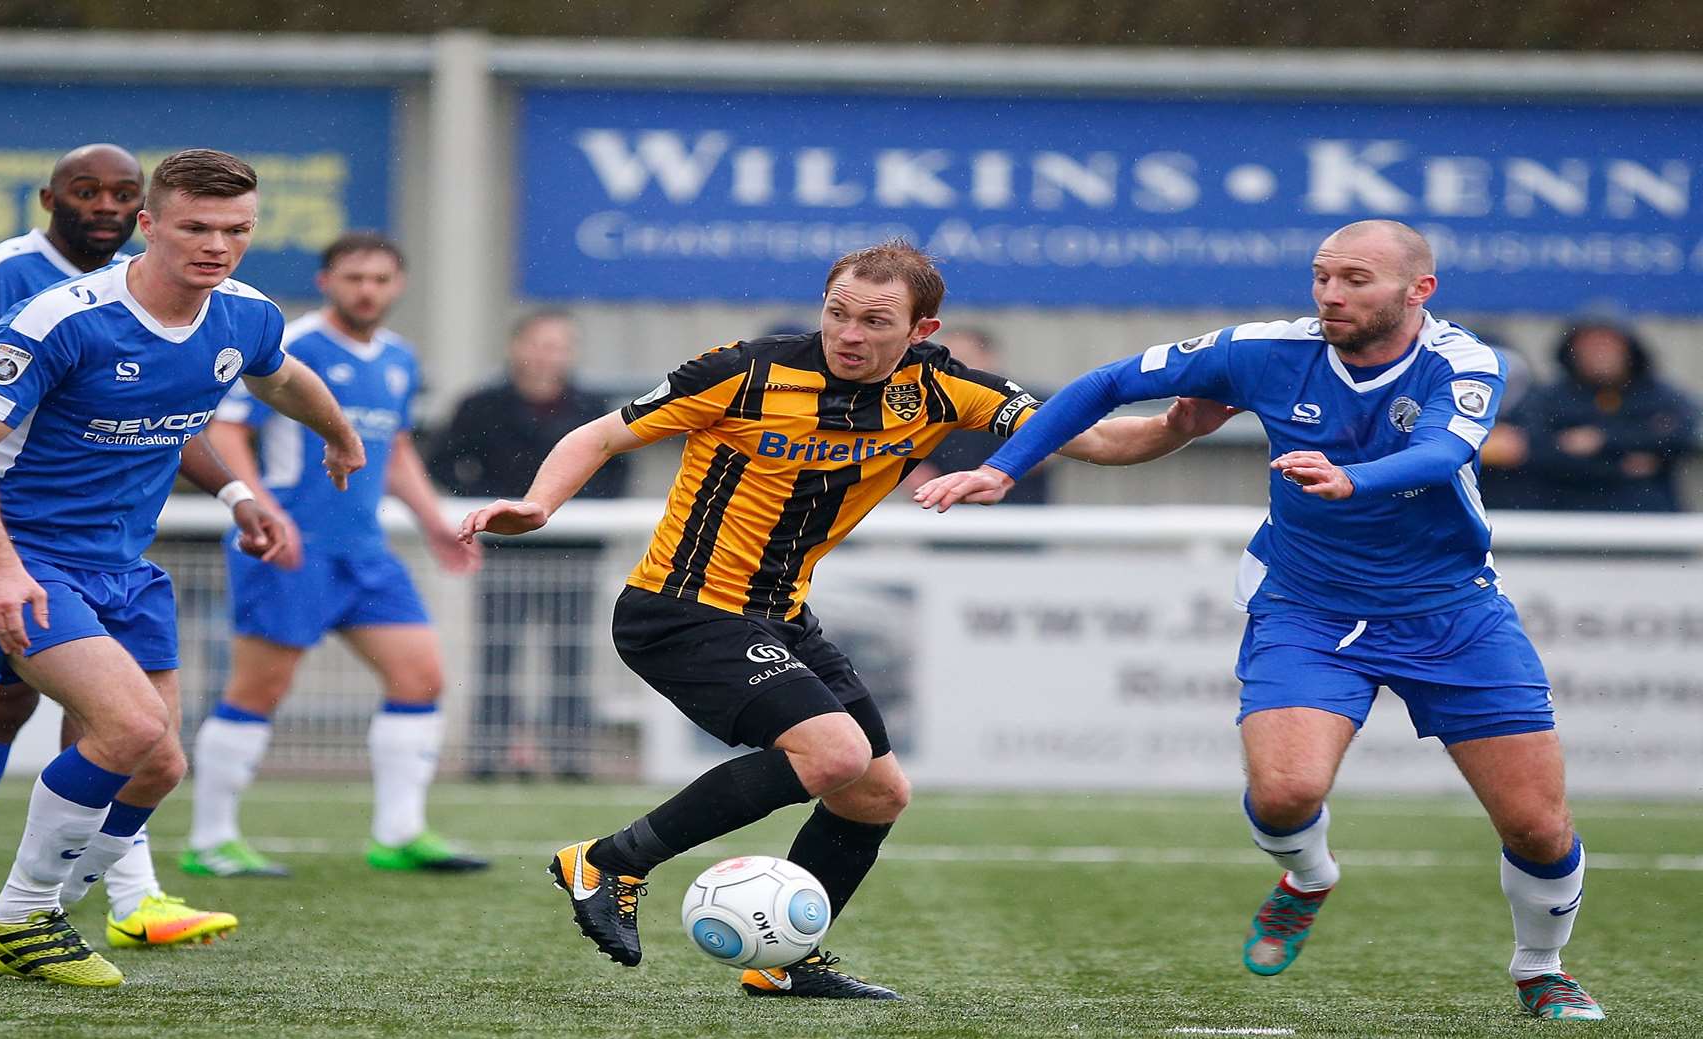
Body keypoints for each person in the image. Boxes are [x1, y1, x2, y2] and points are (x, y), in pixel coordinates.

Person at [459, 240, 1230, 998]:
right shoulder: (743, 370)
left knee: (874, 791)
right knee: (832, 754)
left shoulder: (944, 390)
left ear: (921, 332)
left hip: (780, 617)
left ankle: (780, 960)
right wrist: (539, 504)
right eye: (839, 314)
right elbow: (602, 433)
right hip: (681, 609)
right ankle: (611, 861)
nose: (850, 335)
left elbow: (1090, 436)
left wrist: (1177, 428)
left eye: (874, 322)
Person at [915, 220, 1605, 1022]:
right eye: (1322, 276)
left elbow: (1445, 451)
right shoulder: (1267, 349)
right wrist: (1003, 469)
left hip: (1452, 612)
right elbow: (1104, 384)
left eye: (1356, 279)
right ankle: (1309, 877)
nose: (1331, 295)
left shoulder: (1462, 360)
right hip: (1308, 607)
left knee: (1537, 825)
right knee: (1284, 794)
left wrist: (1353, 480)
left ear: (1420, 292)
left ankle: (1541, 967)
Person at [0, 149, 363, 987]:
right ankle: (20, 918)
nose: (216, 246)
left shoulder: (244, 314)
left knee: (161, 761)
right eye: (195, 228)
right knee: (127, 729)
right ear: (148, 225)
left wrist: (338, 434)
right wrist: (1, 571)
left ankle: (50, 910)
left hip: (118, 559)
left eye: (236, 230)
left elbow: (280, 375)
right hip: (19, 553)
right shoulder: (62, 319)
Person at [182, 232, 486, 878]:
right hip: (292, 545)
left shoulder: (399, 358)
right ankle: (211, 840)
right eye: (354, 278)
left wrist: (434, 522)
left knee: (420, 678)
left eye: (380, 278)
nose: (367, 290)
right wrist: (260, 507)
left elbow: (395, 448)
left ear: (398, 285)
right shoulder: (293, 344)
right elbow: (226, 428)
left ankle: (399, 833)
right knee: (259, 688)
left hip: (365, 551)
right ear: (327, 282)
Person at [428, 310, 629, 780]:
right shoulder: (481, 406)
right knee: (497, 653)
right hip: (504, 551)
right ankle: (488, 754)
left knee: (570, 655)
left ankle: (570, 756)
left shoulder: (594, 407)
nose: (546, 356)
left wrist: (576, 514)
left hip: (573, 552)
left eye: (558, 346)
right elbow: (441, 461)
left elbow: (616, 469)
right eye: (538, 344)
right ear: (516, 347)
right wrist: (481, 506)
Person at [1480, 317, 1697, 512]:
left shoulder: (1660, 396)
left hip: (1650, 522)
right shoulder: (1550, 399)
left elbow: (1682, 436)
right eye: (1590, 346)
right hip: (1568, 522)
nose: (1601, 353)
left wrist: (1602, 439)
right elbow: (1531, 449)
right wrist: (1620, 465)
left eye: (1609, 345)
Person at [901, 326, 1050, 504]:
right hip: (947, 513)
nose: (953, 369)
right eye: (947, 363)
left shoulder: (1029, 401)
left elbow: (1062, 442)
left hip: (1019, 511)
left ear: (989, 358)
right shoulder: (927, 407)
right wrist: (912, 472)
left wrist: (1011, 465)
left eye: (963, 360)